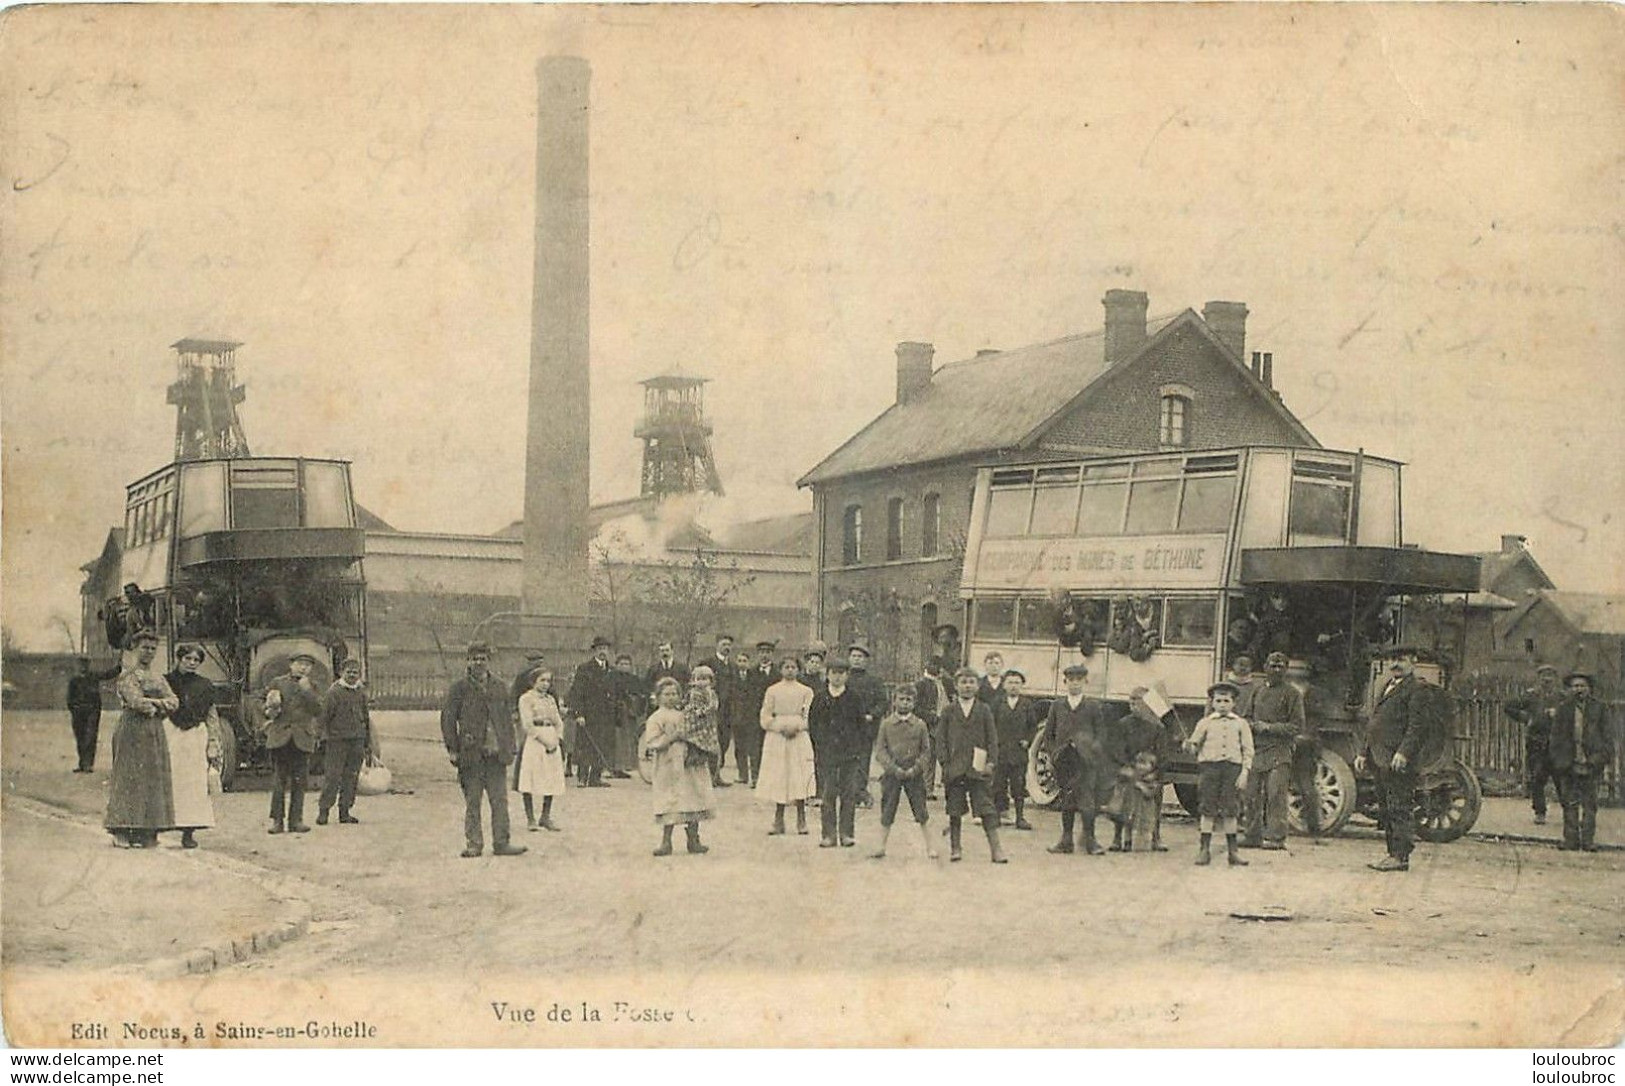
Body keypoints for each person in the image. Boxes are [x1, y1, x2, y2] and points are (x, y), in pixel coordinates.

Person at [1355, 650, 1444, 873]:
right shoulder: (1387, 685)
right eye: (1392, 660)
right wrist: (1363, 753)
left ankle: (1401, 856)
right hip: (1380, 757)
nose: (1395, 664)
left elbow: (1418, 727)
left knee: (1399, 807)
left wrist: (1403, 753)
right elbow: (1375, 722)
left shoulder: (1418, 689)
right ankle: (1392, 854)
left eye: (1401, 660)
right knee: (1387, 808)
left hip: (1398, 760)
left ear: (1413, 663)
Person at [441, 641, 526, 859]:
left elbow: (507, 720)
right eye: (474, 658)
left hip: (496, 755)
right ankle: (474, 844)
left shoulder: (499, 687)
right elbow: (448, 720)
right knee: (473, 801)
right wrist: (452, 748)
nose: (479, 662)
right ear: (468, 661)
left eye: (483, 658)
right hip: (471, 755)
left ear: (489, 661)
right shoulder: (459, 689)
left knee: (500, 800)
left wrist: (510, 745)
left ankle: (501, 842)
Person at [103, 631, 179, 848]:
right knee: (129, 777)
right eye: (145, 647)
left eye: (153, 648)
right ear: (135, 648)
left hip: (154, 732)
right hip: (132, 731)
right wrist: (157, 702)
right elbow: (137, 702)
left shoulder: (158, 677)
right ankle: (122, 830)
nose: (149, 652)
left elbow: (174, 701)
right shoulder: (128, 676)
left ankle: (146, 830)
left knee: (153, 778)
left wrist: (155, 703)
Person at [933, 667, 1008, 864]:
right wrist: (945, 763)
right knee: (955, 809)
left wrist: (991, 763)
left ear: (977, 686)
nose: (967, 686)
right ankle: (955, 847)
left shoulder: (984, 710)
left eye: (971, 682)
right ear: (956, 686)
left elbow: (992, 739)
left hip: (978, 768)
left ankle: (996, 849)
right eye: (963, 682)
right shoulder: (949, 711)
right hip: (955, 768)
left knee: (986, 808)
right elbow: (940, 739)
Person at [640, 672, 718, 856]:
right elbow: (651, 741)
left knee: (694, 795)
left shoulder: (686, 713)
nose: (671, 697)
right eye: (666, 694)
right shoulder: (656, 718)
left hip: (690, 761)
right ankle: (666, 841)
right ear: (658, 697)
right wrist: (672, 737)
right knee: (670, 800)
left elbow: (700, 727)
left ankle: (693, 838)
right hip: (669, 764)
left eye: (675, 693)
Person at [1042, 662, 1114, 856]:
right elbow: (1049, 734)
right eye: (1071, 680)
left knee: (1087, 800)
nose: (1075, 684)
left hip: (1086, 761)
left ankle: (1090, 840)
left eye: (1079, 680)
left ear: (1085, 682)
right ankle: (1066, 840)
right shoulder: (1057, 705)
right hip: (1065, 760)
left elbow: (1101, 733)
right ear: (1065, 682)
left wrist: (1093, 750)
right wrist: (1053, 754)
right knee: (1066, 798)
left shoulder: (1092, 706)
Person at [1238, 651, 1305, 851]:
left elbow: (1297, 727)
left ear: (1286, 670)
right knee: (1250, 794)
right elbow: (1246, 717)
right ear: (1265, 667)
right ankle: (1252, 835)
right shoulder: (1257, 691)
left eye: (1280, 666)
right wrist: (1251, 726)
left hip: (1280, 752)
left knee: (1275, 794)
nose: (1276, 670)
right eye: (1272, 665)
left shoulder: (1293, 694)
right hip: (1257, 751)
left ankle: (1276, 837)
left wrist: (1268, 727)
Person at [1184, 681, 1254, 867]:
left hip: (1232, 770)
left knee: (1231, 810)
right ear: (1212, 703)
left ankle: (1233, 852)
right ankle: (1204, 850)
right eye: (1219, 700)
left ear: (1233, 703)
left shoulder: (1241, 724)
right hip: (1210, 769)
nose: (1222, 704)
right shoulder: (1205, 723)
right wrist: (1189, 745)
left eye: (1226, 700)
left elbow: (1248, 751)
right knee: (1208, 808)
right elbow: (1194, 746)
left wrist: (1244, 773)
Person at [868, 684, 937, 860]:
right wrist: (893, 768)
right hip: (893, 774)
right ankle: (880, 846)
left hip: (914, 774)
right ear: (894, 701)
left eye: (909, 700)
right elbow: (880, 751)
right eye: (901, 699)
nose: (905, 703)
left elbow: (926, 751)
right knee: (888, 809)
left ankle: (930, 846)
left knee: (921, 810)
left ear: (914, 703)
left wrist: (916, 768)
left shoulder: (920, 725)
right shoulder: (886, 724)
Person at [1548, 672, 1612, 852]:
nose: (1579, 690)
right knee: (1569, 803)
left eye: (1582, 686)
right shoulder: (1563, 709)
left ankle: (1588, 841)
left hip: (1591, 765)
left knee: (1590, 805)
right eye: (1575, 686)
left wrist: (1598, 760)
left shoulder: (1600, 709)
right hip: (1569, 764)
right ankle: (1570, 840)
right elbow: (1555, 738)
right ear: (1570, 689)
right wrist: (1559, 761)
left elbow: (1607, 739)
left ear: (1589, 688)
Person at [262, 652, 323, 835]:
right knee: (279, 781)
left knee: (300, 782)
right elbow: (263, 704)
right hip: (280, 736)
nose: (303, 668)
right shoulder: (277, 682)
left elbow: (318, 710)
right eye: (299, 664)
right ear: (291, 665)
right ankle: (277, 821)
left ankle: (296, 820)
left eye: (307, 665)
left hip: (302, 738)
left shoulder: (313, 686)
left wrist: (307, 691)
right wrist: (269, 708)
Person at [1106, 688, 1171, 852]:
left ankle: (1156, 837)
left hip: (1150, 773)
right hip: (1129, 770)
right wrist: (1127, 767)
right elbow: (1116, 750)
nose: (1133, 704)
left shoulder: (1158, 727)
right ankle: (1117, 838)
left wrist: (1152, 771)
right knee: (1121, 799)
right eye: (1131, 700)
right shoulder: (1123, 724)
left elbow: (1163, 755)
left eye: (1138, 701)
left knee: (1154, 799)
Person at [811, 659, 867, 848]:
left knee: (848, 793)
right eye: (834, 672)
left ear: (847, 676)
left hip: (849, 754)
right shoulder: (820, 697)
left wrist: (856, 749)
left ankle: (846, 833)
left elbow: (861, 726)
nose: (837, 676)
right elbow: (814, 725)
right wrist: (819, 747)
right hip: (827, 754)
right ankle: (828, 834)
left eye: (841, 673)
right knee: (828, 793)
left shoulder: (854, 698)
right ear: (827, 674)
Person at [758, 656, 816, 836]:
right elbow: (765, 716)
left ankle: (801, 818)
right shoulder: (772, 690)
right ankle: (778, 819)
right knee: (780, 774)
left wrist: (798, 727)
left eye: (793, 667)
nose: (790, 670)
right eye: (786, 667)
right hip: (778, 737)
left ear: (798, 670)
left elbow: (810, 716)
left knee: (799, 773)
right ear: (781, 669)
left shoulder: (806, 691)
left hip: (799, 735)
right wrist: (779, 727)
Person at [1505, 663, 1564, 825]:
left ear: (1555, 679)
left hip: (1558, 744)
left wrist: (1558, 714)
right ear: (1539, 679)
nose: (1547, 680)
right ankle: (1540, 812)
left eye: (1550, 677)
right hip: (1536, 743)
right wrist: (1525, 718)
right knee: (1537, 778)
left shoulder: (1562, 697)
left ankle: (1569, 813)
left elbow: (1572, 714)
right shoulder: (1531, 696)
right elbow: (1508, 706)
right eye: (1544, 677)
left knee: (1562, 779)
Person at [317, 657, 373, 826]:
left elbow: (366, 718)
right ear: (341, 673)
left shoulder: (361, 693)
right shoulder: (333, 693)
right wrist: (321, 737)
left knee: (351, 777)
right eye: (349, 672)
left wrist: (367, 742)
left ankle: (345, 811)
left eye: (355, 672)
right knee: (332, 777)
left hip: (356, 740)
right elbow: (324, 718)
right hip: (337, 741)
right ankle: (324, 811)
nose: (352, 675)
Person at [1286, 659, 1332, 844]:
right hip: (1285, 742)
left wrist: (1304, 735)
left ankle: (1315, 830)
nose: (1297, 673)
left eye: (1301, 670)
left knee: (1308, 788)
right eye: (1294, 670)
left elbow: (1318, 719)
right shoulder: (1283, 691)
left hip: (1306, 746)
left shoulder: (1316, 694)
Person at [517, 667, 567, 832]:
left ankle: (545, 816)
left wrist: (558, 739)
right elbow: (527, 725)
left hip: (552, 738)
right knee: (530, 777)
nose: (545, 684)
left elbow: (558, 721)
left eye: (548, 681)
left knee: (551, 777)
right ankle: (530, 818)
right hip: (536, 740)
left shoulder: (550, 700)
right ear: (533, 682)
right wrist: (545, 742)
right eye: (542, 680)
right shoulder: (526, 699)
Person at [567, 636, 619, 788]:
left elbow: (615, 693)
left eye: (605, 649)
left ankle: (595, 777)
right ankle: (582, 777)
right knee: (586, 745)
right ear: (594, 651)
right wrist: (579, 714)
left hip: (606, 716)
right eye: (599, 649)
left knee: (602, 744)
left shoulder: (611, 670)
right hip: (589, 715)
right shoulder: (585, 669)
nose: (603, 652)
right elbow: (577, 693)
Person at [991, 669, 1036, 830]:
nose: (1014, 686)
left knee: (1018, 786)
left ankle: (1020, 817)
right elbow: (990, 725)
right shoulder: (997, 703)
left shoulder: (1027, 705)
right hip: (1000, 751)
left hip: (1018, 753)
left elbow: (1033, 726)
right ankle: (996, 816)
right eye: (1010, 682)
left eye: (1017, 683)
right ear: (1004, 685)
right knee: (998, 785)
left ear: (1022, 685)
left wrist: (1028, 740)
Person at [846, 642, 888, 808]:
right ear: (849, 659)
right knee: (846, 760)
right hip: (846, 728)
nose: (857, 660)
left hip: (865, 728)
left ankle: (860, 792)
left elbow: (882, 702)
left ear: (866, 660)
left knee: (863, 761)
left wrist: (872, 715)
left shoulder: (874, 681)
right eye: (854, 656)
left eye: (860, 657)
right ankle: (848, 792)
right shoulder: (844, 678)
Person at [66, 656, 119, 773]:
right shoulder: (74, 681)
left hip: (92, 711)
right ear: (77, 666)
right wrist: (73, 709)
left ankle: (88, 764)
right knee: (80, 737)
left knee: (90, 736)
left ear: (88, 666)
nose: (82, 667)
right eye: (80, 665)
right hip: (78, 712)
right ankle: (82, 763)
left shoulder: (93, 677)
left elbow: (108, 674)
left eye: (85, 665)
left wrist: (120, 664)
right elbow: (69, 698)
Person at [913, 657, 949, 800]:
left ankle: (940, 787)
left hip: (943, 724)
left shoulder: (944, 684)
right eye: (933, 665)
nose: (937, 669)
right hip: (928, 724)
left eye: (938, 666)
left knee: (941, 755)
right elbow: (915, 707)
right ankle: (926, 789)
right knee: (928, 757)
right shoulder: (921, 685)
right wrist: (930, 716)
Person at [610, 653, 643, 779]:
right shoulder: (612, 678)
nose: (624, 666)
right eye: (622, 664)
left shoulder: (634, 679)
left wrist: (634, 703)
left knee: (628, 739)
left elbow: (640, 694)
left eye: (627, 664)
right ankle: (615, 767)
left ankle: (625, 765)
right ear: (617, 665)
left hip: (630, 713)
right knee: (617, 740)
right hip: (616, 715)